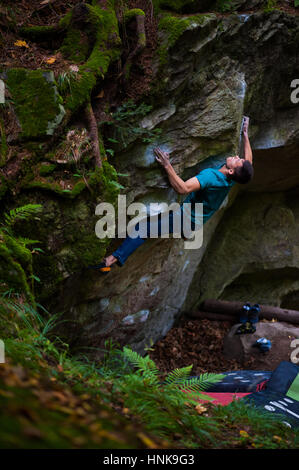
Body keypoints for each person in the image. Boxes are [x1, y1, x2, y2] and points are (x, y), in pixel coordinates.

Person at [90, 117, 253, 274]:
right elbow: (249, 162)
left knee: (142, 228)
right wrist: (245, 135)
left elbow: (182, 188)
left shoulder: (211, 177)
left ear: (231, 170)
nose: (237, 156)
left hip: (186, 219)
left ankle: (109, 261)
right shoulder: (235, 178)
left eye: (237, 160)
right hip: (194, 218)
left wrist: (167, 165)